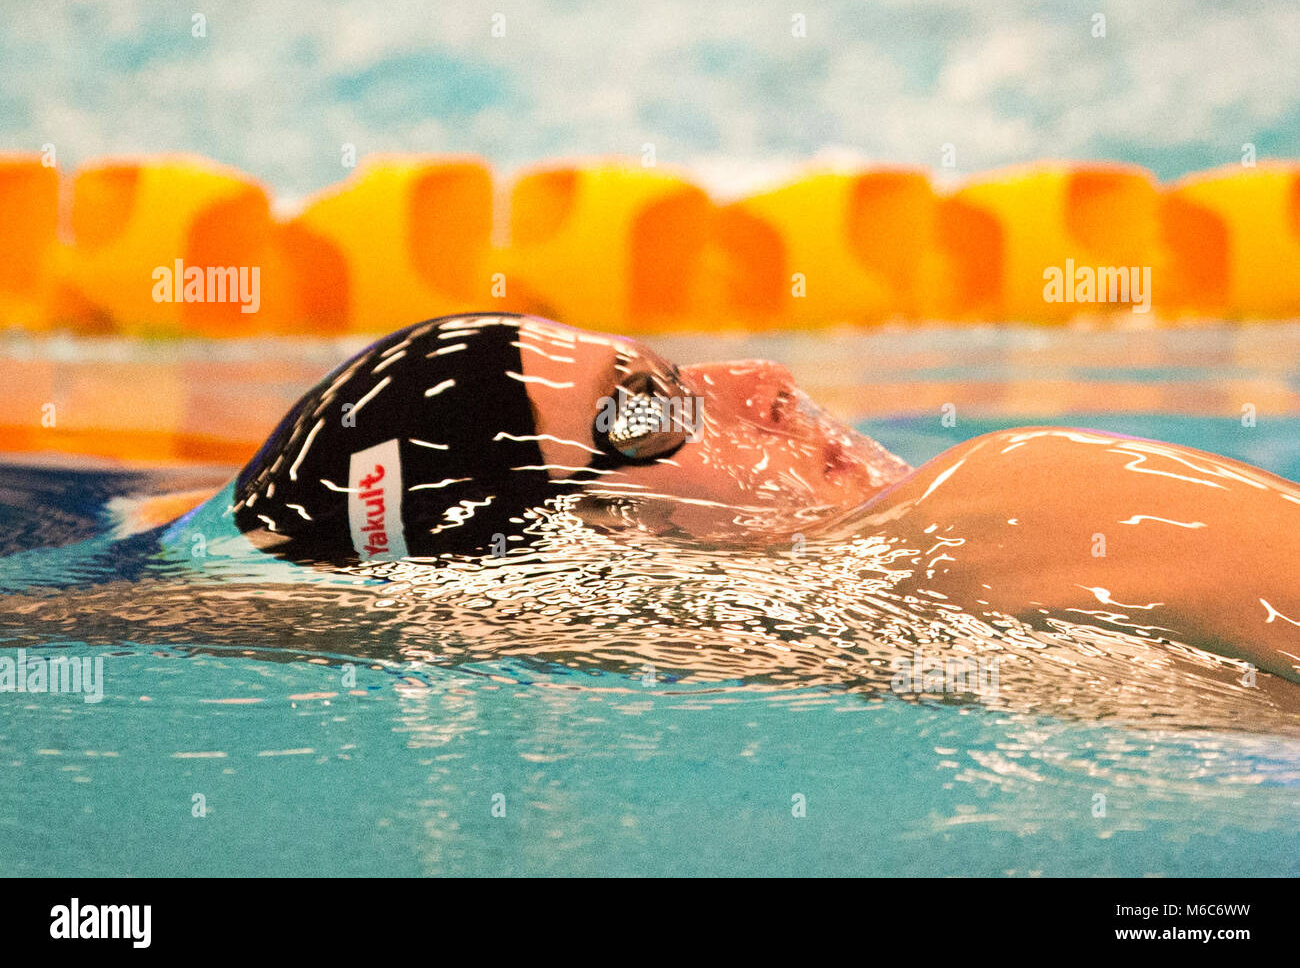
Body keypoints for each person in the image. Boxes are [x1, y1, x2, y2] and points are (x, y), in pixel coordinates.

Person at [209, 312, 1300, 683]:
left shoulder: (834, 654)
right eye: (649, 405)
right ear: (601, 537)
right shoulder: (1004, 499)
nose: (762, 380)